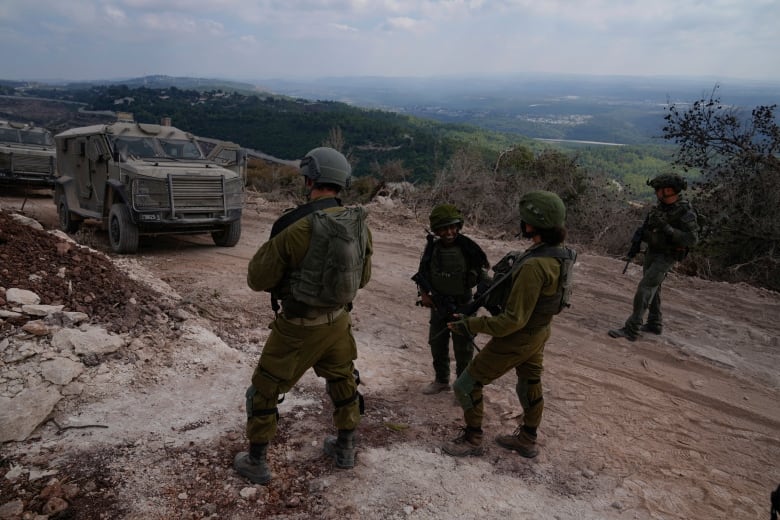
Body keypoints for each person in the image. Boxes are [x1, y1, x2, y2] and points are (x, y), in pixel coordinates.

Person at [233, 147, 373, 485]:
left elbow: (257, 279)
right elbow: (363, 278)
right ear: (342, 183)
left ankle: (256, 460)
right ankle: (345, 447)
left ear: (310, 179)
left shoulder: (296, 228)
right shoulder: (358, 224)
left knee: (264, 390)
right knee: (343, 380)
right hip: (339, 323)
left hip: (297, 328)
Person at [442, 191, 576, 459]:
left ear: (532, 225)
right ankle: (527, 439)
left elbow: (512, 321)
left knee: (465, 385)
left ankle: (473, 439)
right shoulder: (560, 255)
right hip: (539, 332)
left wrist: (471, 324)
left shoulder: (535, 265)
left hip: (518, 337)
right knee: (529, 382)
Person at [608, 173, 699, 341]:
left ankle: (632, 329)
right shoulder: (660, 207)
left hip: (668, 255)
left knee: (645, 288)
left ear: (669, 190)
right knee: (653, 288)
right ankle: (654, 323)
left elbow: (692, 240)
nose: (656, 192)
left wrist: (667, 229)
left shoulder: (685, 212)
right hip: (653, 251)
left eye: (658, 189)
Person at [413, 204, 489, 395]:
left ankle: (463, 387)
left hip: (463, 305)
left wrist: (478, 302)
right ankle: (441, 380)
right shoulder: (432, 248)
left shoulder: (468, 248)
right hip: (439, 306)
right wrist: (424, 294)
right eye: (444, 228)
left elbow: (483, 277)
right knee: (437, 344)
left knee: (463, 349)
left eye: (453, 227)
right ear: (436, 230)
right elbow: (423, 273)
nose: (449, 232)